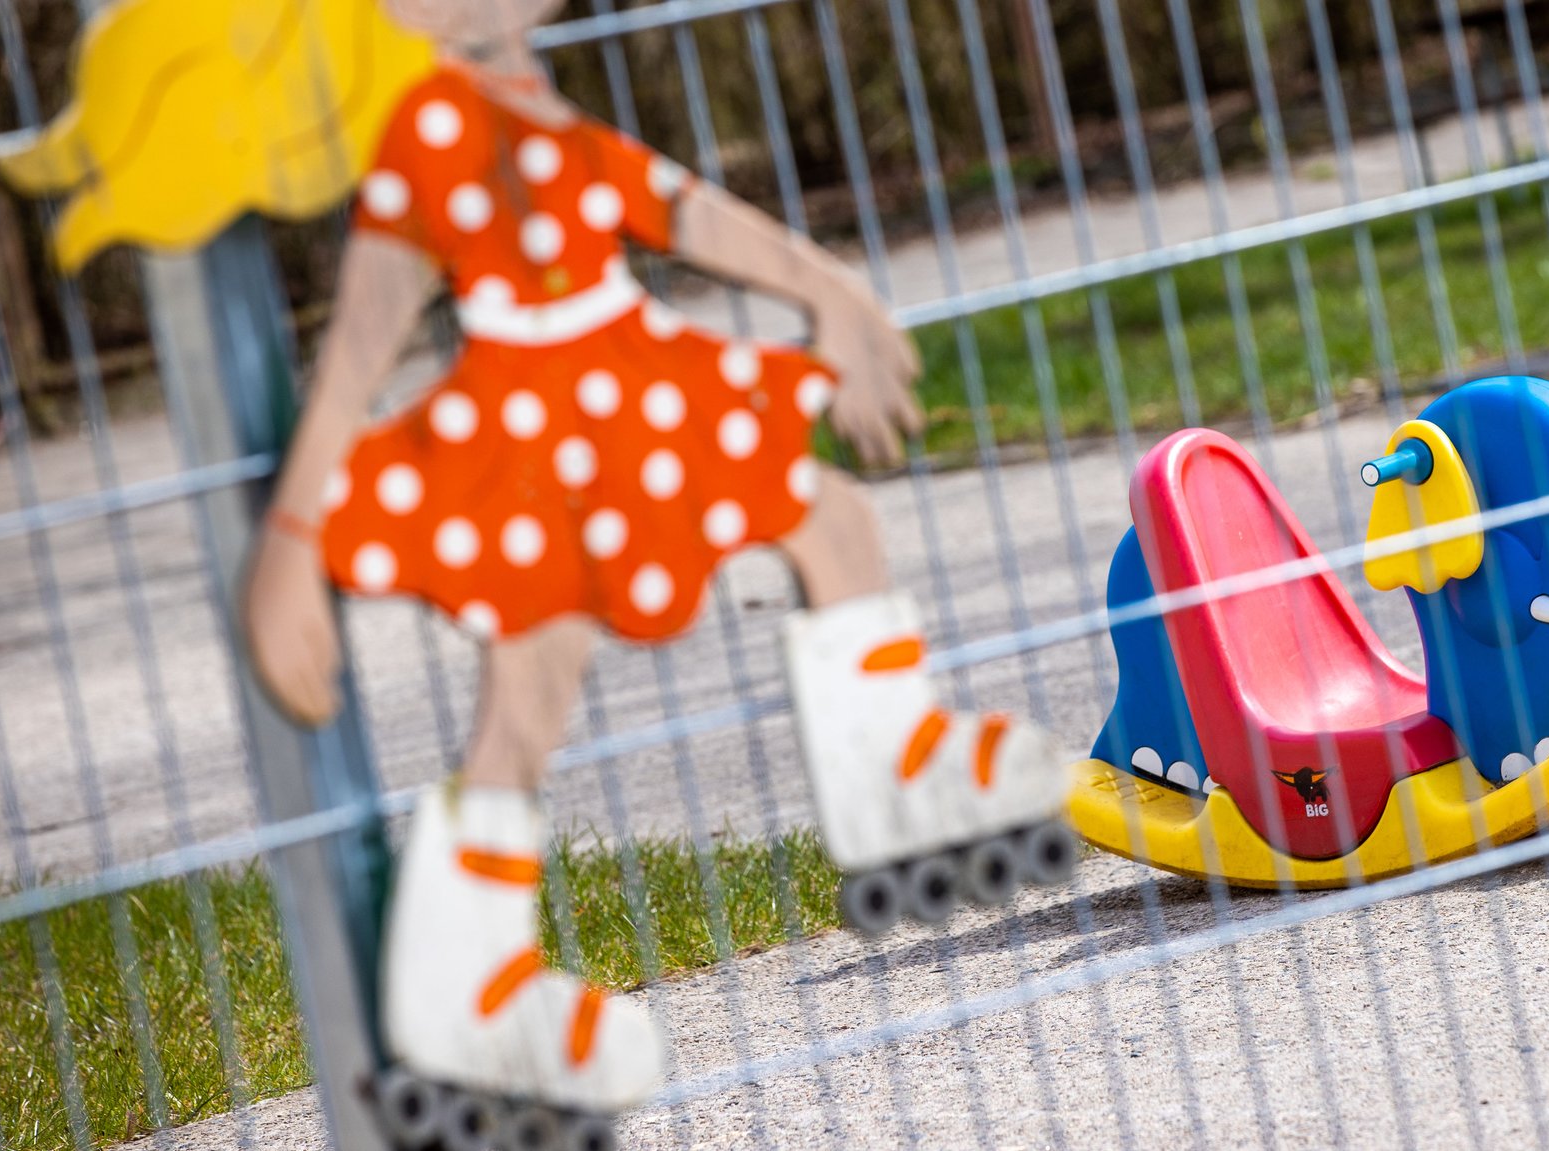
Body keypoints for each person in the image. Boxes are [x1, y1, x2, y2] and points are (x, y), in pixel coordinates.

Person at [240, 0, 1054, 1114]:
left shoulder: (530, 109)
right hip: (542, 432)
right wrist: (290, 548)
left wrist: (833, 291)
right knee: (536, 667)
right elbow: (358, 345)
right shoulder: (430, 129)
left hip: (630, 392)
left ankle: (893, 771)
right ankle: (466, 982)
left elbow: (678, 206)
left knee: (827, 518)